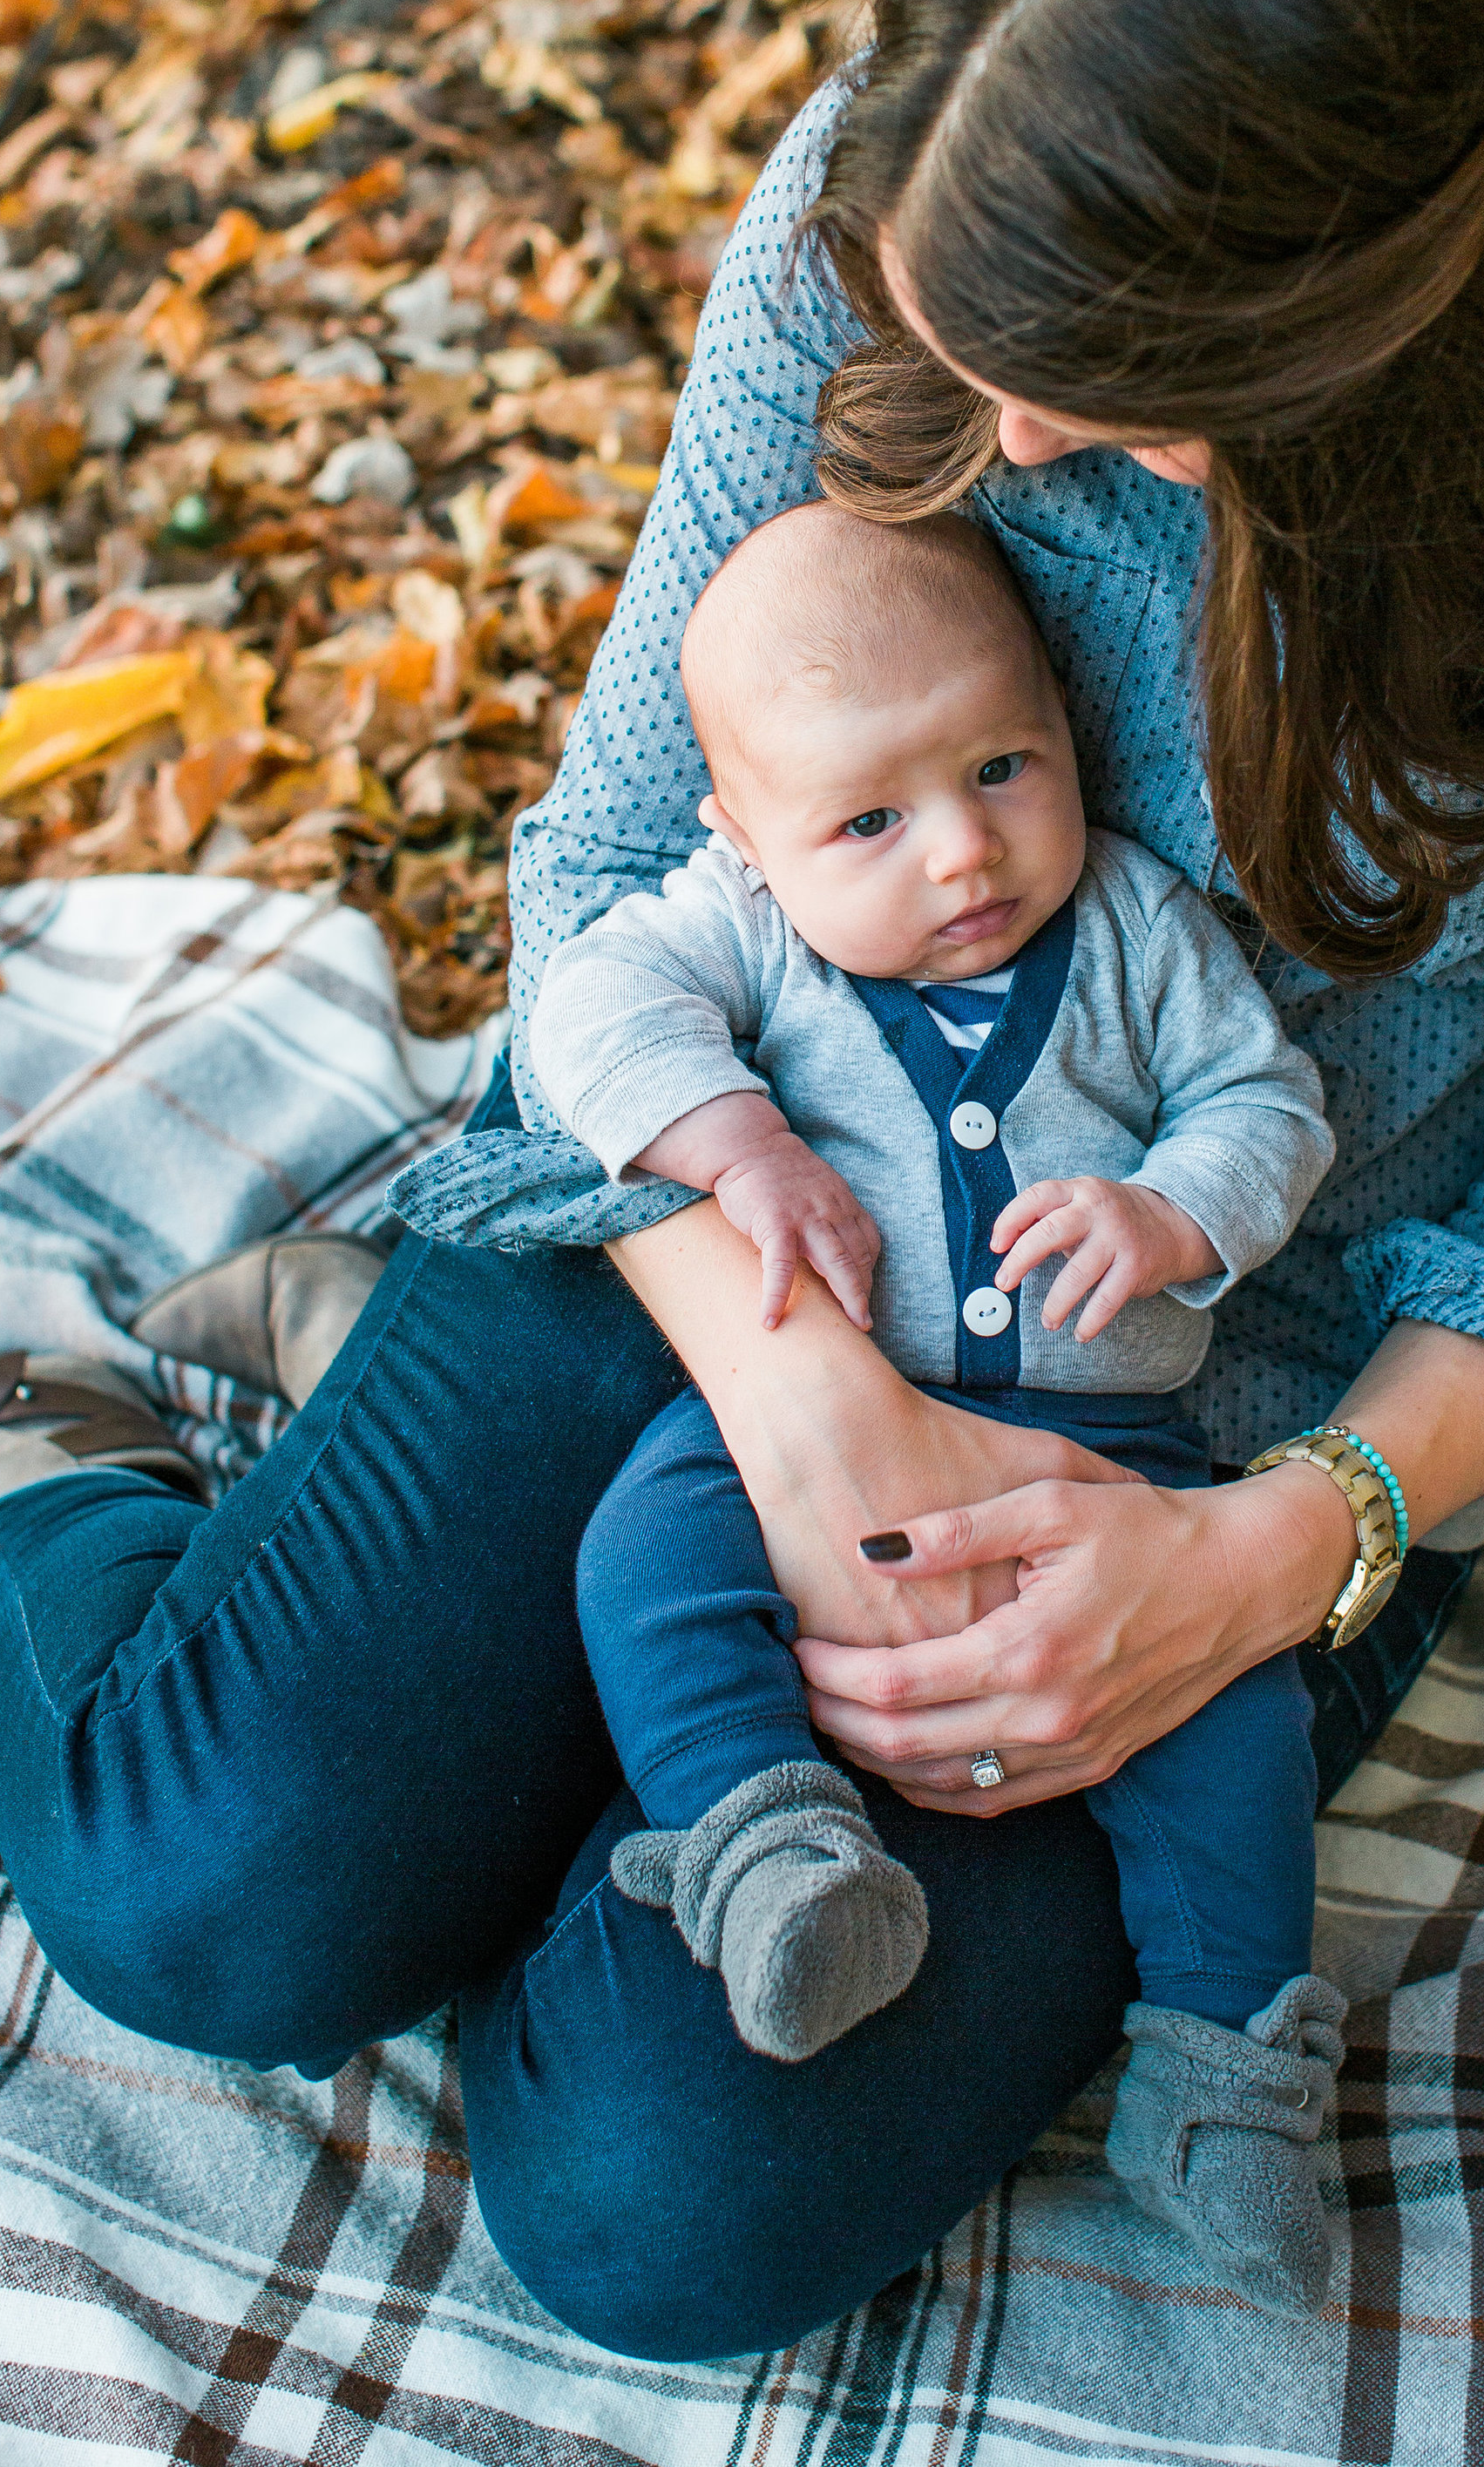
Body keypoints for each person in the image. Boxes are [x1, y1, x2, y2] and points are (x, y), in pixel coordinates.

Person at [0, 0, 1484, 2362]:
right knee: (216, 1889)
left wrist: (1261, 1555)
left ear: (1352, 333)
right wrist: (801, 1410)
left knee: (665, 2195)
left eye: (1087, 393)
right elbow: (603, 875)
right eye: (961, 355)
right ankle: (51, 1467)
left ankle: (514, 1674)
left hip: (1214, 1390)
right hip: (714, 1209)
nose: (1000, 444)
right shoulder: (921, 203)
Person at [404, 498, 1346, 2305]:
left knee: (1236, 1729)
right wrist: (730, 1139)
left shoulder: (1139, 927)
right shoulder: (741, 930)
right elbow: (585, 1009)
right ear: (746, 840)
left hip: (1114, 1457)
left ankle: (1228, 2079)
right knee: (651, 1560)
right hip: (812, 1422)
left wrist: (1171, 1211)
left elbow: (1268, 1104)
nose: (961, 855)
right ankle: (764, 1847)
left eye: (1004, 766)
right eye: (868, 819)